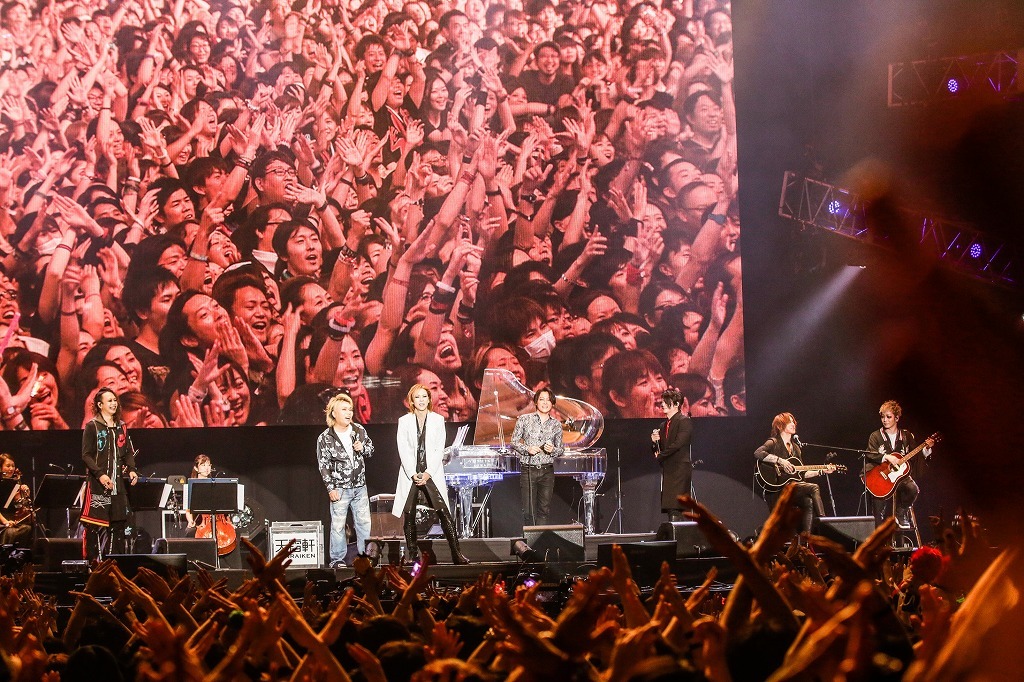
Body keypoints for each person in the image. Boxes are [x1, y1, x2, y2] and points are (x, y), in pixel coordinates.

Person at [392, 383, 468, 564]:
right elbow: (402, 449)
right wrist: (412, 473)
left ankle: (456, 554)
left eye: (424, 397)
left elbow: (438, 449)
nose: (421, 400)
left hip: (431, 473)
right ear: (411, 400)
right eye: (417, 397)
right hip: (410, 473)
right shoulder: (404, 421)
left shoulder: (437, 420)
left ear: (429, 399)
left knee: (443, 512)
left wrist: (428, 473)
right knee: (409, 514)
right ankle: (413, 555)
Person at [316, 393, 374, 568]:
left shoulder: (359, 430)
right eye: (344, 409)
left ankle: (366, 557)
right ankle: (337, 560)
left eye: (350, 409)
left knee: (364, 523)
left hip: (359, 487)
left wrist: (362, 448)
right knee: (338, 526)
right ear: (334, 413)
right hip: (339, 488)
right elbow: (323, 465)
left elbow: (371, 450)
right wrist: (330, 488)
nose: (349, 413)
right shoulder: (325, 438)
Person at [81, 387, 139, 561]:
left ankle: (115, 565)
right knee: (94, 528)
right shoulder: (92, 427)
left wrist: (132, 469)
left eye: (115, 400)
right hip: (98, 486)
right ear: (100, 405)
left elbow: (128, 450)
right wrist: (100, 475)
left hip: (118, 487)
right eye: (110, 401)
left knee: (118, 528)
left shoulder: (121, 427)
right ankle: (93, 566)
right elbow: (86, 455)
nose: (114, 403)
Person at [754, 412, 825, 535]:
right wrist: (780, 460)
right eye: (789, 422)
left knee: (808, 501)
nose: (793, 424)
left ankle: (806, 539)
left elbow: (802, 474)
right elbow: (758, 453)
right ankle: (824, 523)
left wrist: (821, 471)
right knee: (814, 487)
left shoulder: (796, 448)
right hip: (778, 488)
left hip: (793, 488)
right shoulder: (773, 442)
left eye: (793, 421)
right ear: (780, 426)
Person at [865, 400, 934, 528]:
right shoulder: (875, 436)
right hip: (881, 477)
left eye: (888, 417)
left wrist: (926, 449)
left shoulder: (907, 436)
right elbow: (870, 454)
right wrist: (887, 457)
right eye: (882, 417)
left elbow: (916, 457)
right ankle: (879, 538)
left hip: (900, 478)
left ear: (896, 418)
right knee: (877, 507)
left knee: (913, 489)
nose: (885, 420)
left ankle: (901, 513)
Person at [511, 388, 564, 527]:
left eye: (548, 400)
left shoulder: (556, 424)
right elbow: (514, 442)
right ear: (536, 402)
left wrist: (553, 450)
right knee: (528, 511)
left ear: (552, 403)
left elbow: (560, 450)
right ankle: (530, 544)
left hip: (547, 471)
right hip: (528, 469)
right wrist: (527, 449)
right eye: (542, 399)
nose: (545, 403)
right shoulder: (524, 419)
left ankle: (541, 543)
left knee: (544, 510)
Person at [184, 454, 241, 567]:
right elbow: (188, 510)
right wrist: (190, 521)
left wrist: (228, 520)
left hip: (220, 519)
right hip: (202, 522)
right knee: (189, 533)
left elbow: (225, 507)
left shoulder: (217, 484)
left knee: (236, 532)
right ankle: (198, 566)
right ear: (196, 468)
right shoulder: (190, 485)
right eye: (203, 465)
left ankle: (235, 569)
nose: (207, 468)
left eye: (208, 465)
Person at [651, 389, 694, 522]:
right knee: (670, 506)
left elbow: (678, 444)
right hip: (668, 468)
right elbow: (659, 449)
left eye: (665, 402)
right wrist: (655, 442)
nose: (662, 404)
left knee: (677, 505)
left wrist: (661, 456)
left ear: (675, 404)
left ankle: (679, 537)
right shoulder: (663, 425)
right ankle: (674, 535)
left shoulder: (684, 421)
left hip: (679, 469)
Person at [0, 453, 33, 547]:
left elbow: (20, 505)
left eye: (13, 466)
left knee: (27, 528)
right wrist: (5, 522)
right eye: (8, 466)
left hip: (12, 519)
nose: (11, 469)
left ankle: (20, 556)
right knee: (10, 532)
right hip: (2, 520)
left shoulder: (15, 484)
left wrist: (26, 494)